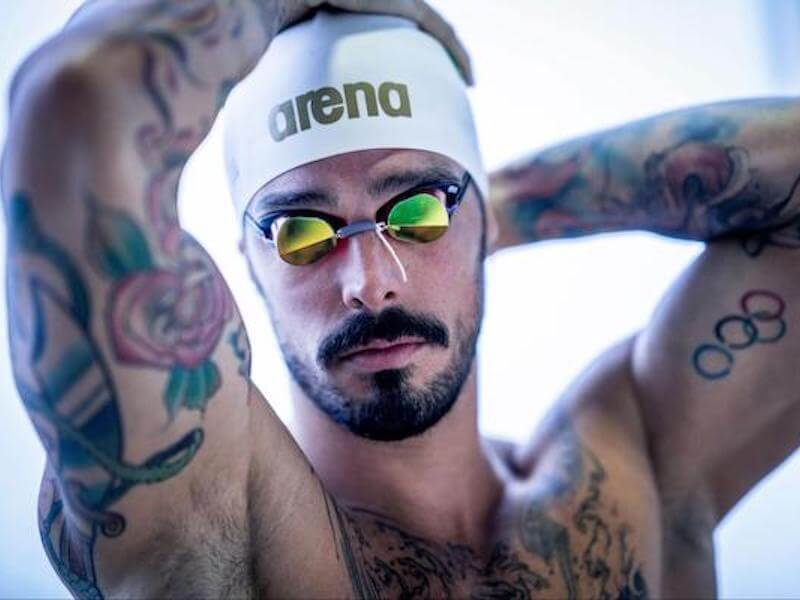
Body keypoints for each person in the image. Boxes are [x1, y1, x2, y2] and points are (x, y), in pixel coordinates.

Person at [4, 0, 799, 597]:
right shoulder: (212, 520)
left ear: (478, 215)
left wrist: (509, 202)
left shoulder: (635, 470)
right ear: (245, 258)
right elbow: (78, 101)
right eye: (303, 233)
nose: (370, 281)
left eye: (417, 211)